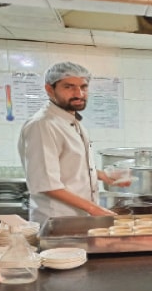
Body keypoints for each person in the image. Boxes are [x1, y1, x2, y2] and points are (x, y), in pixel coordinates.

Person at [18, 61, 128, 224]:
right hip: (58, 221)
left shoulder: (71, 121)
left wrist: (102, 176)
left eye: (83, 87)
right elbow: (47, 184)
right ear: (49, 89)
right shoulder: (43, 125)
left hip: (78, 218)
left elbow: (69, 163)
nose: (79, 94)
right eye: (69, 87)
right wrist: (94, 209)